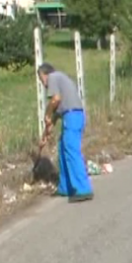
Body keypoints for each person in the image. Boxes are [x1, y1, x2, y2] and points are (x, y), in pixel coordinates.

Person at [37, 63, 94, 203]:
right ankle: (65, 187)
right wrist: (45, 135)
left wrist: (47, 112)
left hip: (72, 116)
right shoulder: (61, 80)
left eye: (41, 80)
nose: (43, 84)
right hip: (73, 116)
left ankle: (83, 189)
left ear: (44, 74)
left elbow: (55, 99)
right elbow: (53, 118)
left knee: (71, 150)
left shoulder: (53, 78)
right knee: (62, 148)